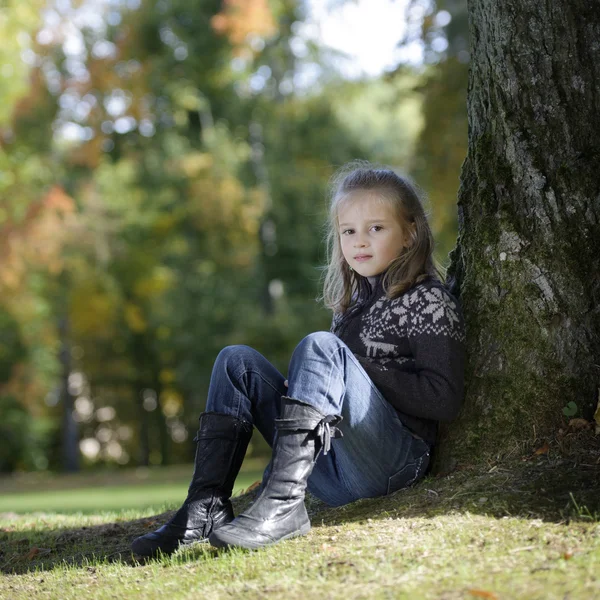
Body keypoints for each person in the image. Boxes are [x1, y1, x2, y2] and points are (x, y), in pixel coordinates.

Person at [131, 160, 466, 556]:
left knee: (319, 345)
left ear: (410, 233)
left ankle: (285, 507)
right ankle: (206, 507)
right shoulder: (350, 307)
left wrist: (353, 369)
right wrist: (316, 388)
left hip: (393, 462)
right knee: (235, 361)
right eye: (348, 231)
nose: (360, 241)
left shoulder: (427, 299)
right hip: (333, 474)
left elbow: (443, 398)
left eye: (376, 228)